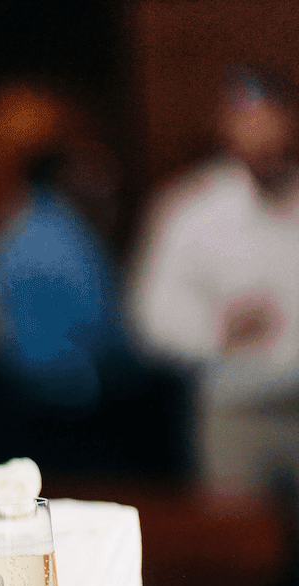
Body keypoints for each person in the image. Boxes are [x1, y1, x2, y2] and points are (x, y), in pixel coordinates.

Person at [130, 67, 299, 494]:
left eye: (272, 119)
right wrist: (215, 331)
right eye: (247, 120)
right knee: (237, 547)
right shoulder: (192, 209)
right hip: (235, 413)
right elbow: (150, 318)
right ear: (225, 125)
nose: (262, 135)